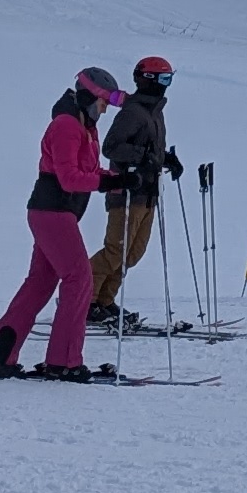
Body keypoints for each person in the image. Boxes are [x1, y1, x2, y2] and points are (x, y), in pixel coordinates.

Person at [0, 67, 119, 379]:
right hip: (52, 211)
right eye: (103, 101)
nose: (105, 108)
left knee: (42, 281)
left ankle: (0, 355)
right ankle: (64, 361)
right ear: (87, 96)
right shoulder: (66, 126)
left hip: (58, 212)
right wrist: (108, 183)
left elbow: (91, 170)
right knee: (79, 277)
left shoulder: (84, 126)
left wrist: (122, 180)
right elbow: (69, 178)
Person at [87, 52, 181, 323]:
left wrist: (166, 160)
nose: (165, 84)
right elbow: (112, 147)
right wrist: (142, 156)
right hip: (127, 191)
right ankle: (85, 299)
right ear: (148, 79)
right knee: (116, 249)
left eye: (169, 79)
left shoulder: (154, 113)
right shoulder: (134, 111)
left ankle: (104, 300)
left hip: (148, 193)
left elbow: (151, 150)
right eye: (163, 78)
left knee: (132, 253)